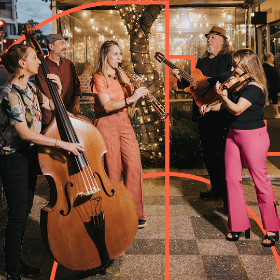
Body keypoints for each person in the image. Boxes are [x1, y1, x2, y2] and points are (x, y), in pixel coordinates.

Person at [0, 44, 84, 280]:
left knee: (25, 210)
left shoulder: (31, 87)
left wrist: (57, 88)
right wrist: (61, 144)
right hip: (13, 158)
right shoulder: (10, 93)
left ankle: (16, 262)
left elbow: (51, 106)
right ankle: (12, 270)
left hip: (29, 154)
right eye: (34, 58)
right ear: (21, 64)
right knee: (17, 214)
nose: (40, 61)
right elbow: (24, 133)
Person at [200, 48, 280, 247]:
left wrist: (224, 96)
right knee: (231, 180)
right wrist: (208, 106)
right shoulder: (238, 83)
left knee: (260, 180)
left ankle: (272, 227)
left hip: (253, 136)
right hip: (233, 135)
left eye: (236, 65)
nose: (232, 69)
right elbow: (223, 105)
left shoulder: (255, 87)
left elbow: (236, 109)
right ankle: (238, 225)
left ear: (247, 66)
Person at [172, 26, 234, 208]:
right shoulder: (201, 61)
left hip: (221, 113)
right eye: (208, 38)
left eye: (213, 37)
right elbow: (194, 84)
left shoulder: (228, 59)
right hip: (202, 113)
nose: (209, 40)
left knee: (223, 155)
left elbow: (229, 76)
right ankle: (216, 188)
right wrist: (180, 78)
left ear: (222, 40)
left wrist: (208, 81)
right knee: (208, 153)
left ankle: (227, 197)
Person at [91, 40, 148, 228]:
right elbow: (106, 105)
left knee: (134, 166)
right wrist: (131, 97)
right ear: (105, 55)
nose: (119, 57)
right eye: (115, 54)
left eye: (120, 54)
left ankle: (134, 212)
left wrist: (136, 94)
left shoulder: (122, 74)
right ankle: (115, 211)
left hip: (124, 121)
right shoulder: (98, 77)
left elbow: (129, 103)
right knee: (112, 170)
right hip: (106, 124)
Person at [36, 34, 82, 130]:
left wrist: (75, 104)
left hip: (71, 117)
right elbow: (47, 96)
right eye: (61, 44)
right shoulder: (41, 68)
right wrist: (64, 112)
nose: (65, 47)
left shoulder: (69, 64)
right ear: (51, 46)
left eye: (65, 44)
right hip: (51, 119)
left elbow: (76, 87)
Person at [262, 52, 280, 118]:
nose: (273, 59)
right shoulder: (265, 66)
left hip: (273, 85)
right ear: (268, 58)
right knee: (270, 99)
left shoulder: (270, 65)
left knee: (272, 99)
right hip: (270, 86)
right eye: (272, 57)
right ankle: (277, 114)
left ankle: (277, 114)